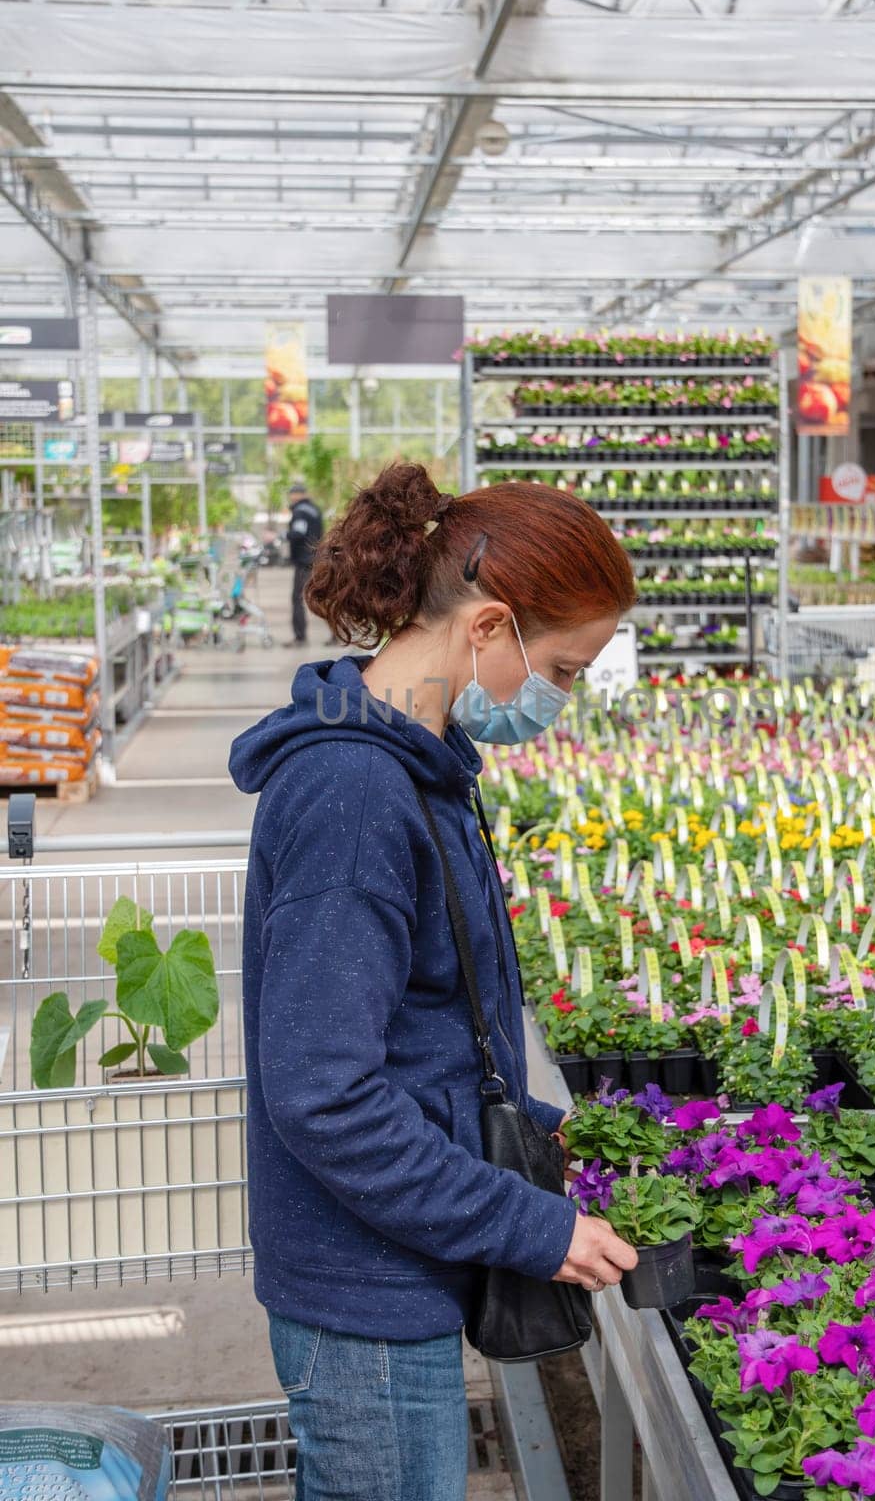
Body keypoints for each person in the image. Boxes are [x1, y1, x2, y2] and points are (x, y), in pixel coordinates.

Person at [228, 462, 639, 1501]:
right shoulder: (356, 794)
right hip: (363, 1288)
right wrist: (535, 1229)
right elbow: (326, 1091)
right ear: (491, 627)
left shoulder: (421, 760)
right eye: (566, 667)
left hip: (402, 1252)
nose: (561, 695)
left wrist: (529, 1122)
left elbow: (419, 1019)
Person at [284, 478, 324, 645]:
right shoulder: (314, 509)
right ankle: (337, 636)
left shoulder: (300, 511)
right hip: (316, 557)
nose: (291, 497)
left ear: (297, 495)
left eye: (293, 494)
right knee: (322, 597)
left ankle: (300, 637)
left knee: (298, 598)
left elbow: (299, 533)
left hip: (304, 561)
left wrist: (281, 536)